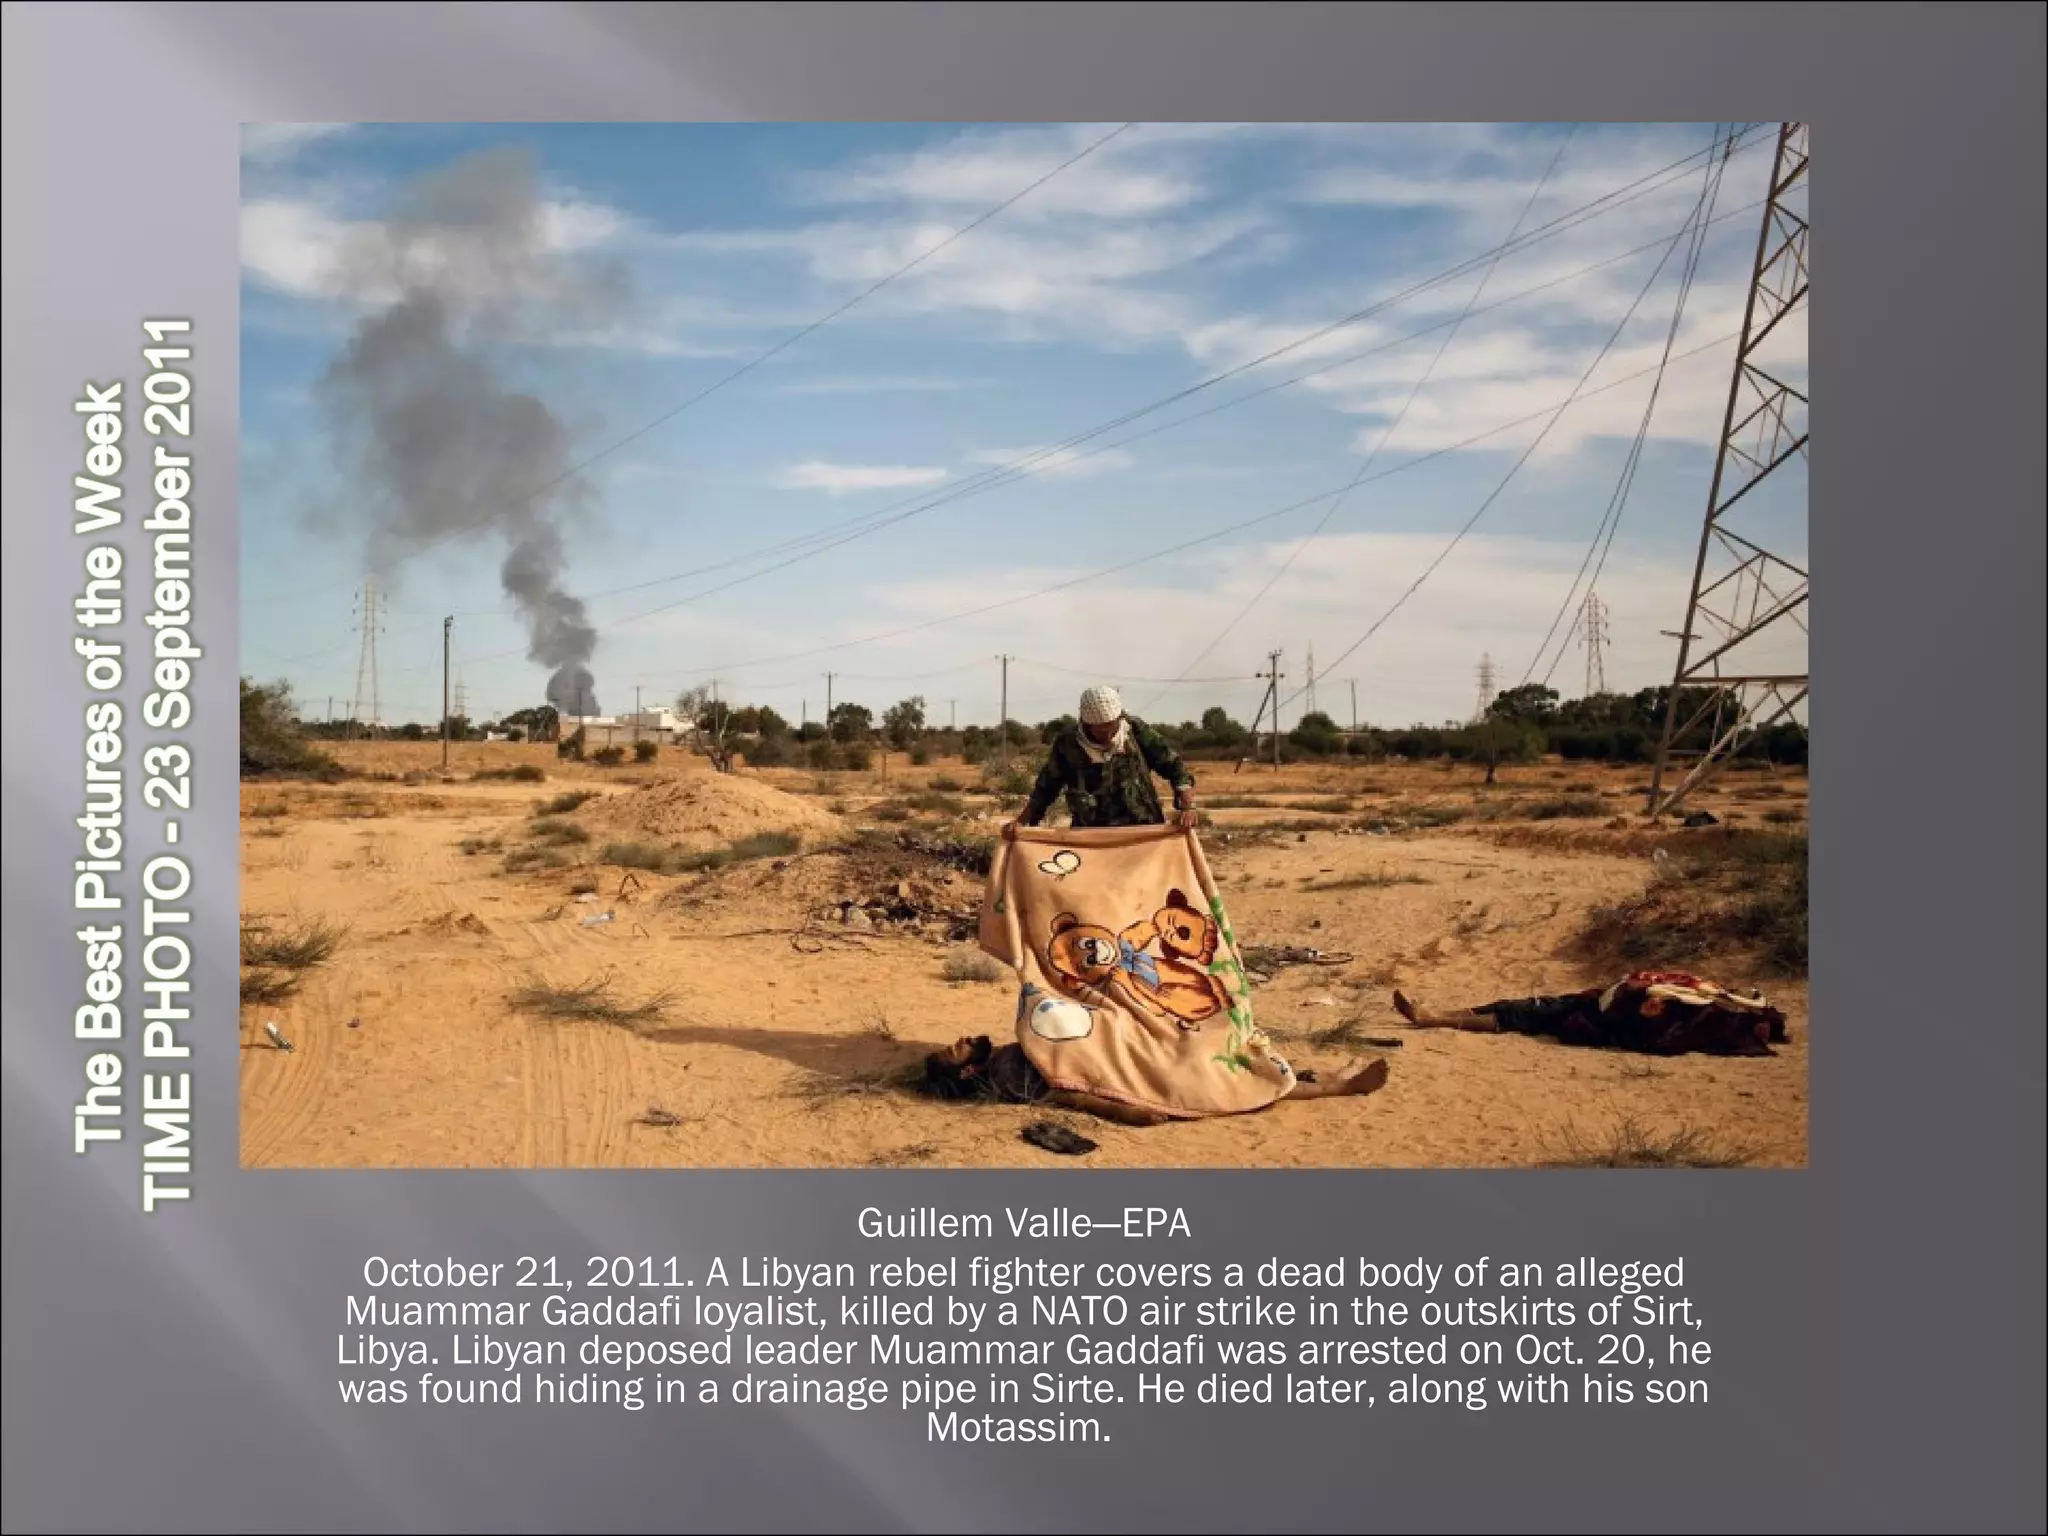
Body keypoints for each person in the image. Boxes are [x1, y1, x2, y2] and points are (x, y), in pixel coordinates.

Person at [922, 1034, 1390, 1126]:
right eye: (955, 1049)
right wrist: (1127, 1111)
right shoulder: (1007, 1073)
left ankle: (1331, 1077)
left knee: (1231, 1062)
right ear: (966, 1070)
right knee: (1230, 1081)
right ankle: (1341, 1085)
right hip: (1133, 1074)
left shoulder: (1004, 1057)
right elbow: (1067, 1094)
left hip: (1128, 1055)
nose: (961, 1039)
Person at [1389, 971, 1791, 1057]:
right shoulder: (1713, 1005)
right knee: (1518, 1008)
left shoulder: (1706, 1025)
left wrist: (1648, 1014)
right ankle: (1435, 1015)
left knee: (1521, 1014)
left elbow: (1653, 1039)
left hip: (1595, 1019)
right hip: (1593, 1005)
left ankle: (1433, 1018)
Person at [1005, 685, 1198, 837]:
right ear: (1086, 723)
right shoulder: (1068, 744)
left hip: (1142, 829)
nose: (1105, 733)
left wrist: (1187, 807)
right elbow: (1046, 788)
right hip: (1091, 834)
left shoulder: (1135, 731)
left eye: (1110, 726)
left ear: (1119, 718)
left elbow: (1174, 766)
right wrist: (1023, 822)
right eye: (1098, 728)